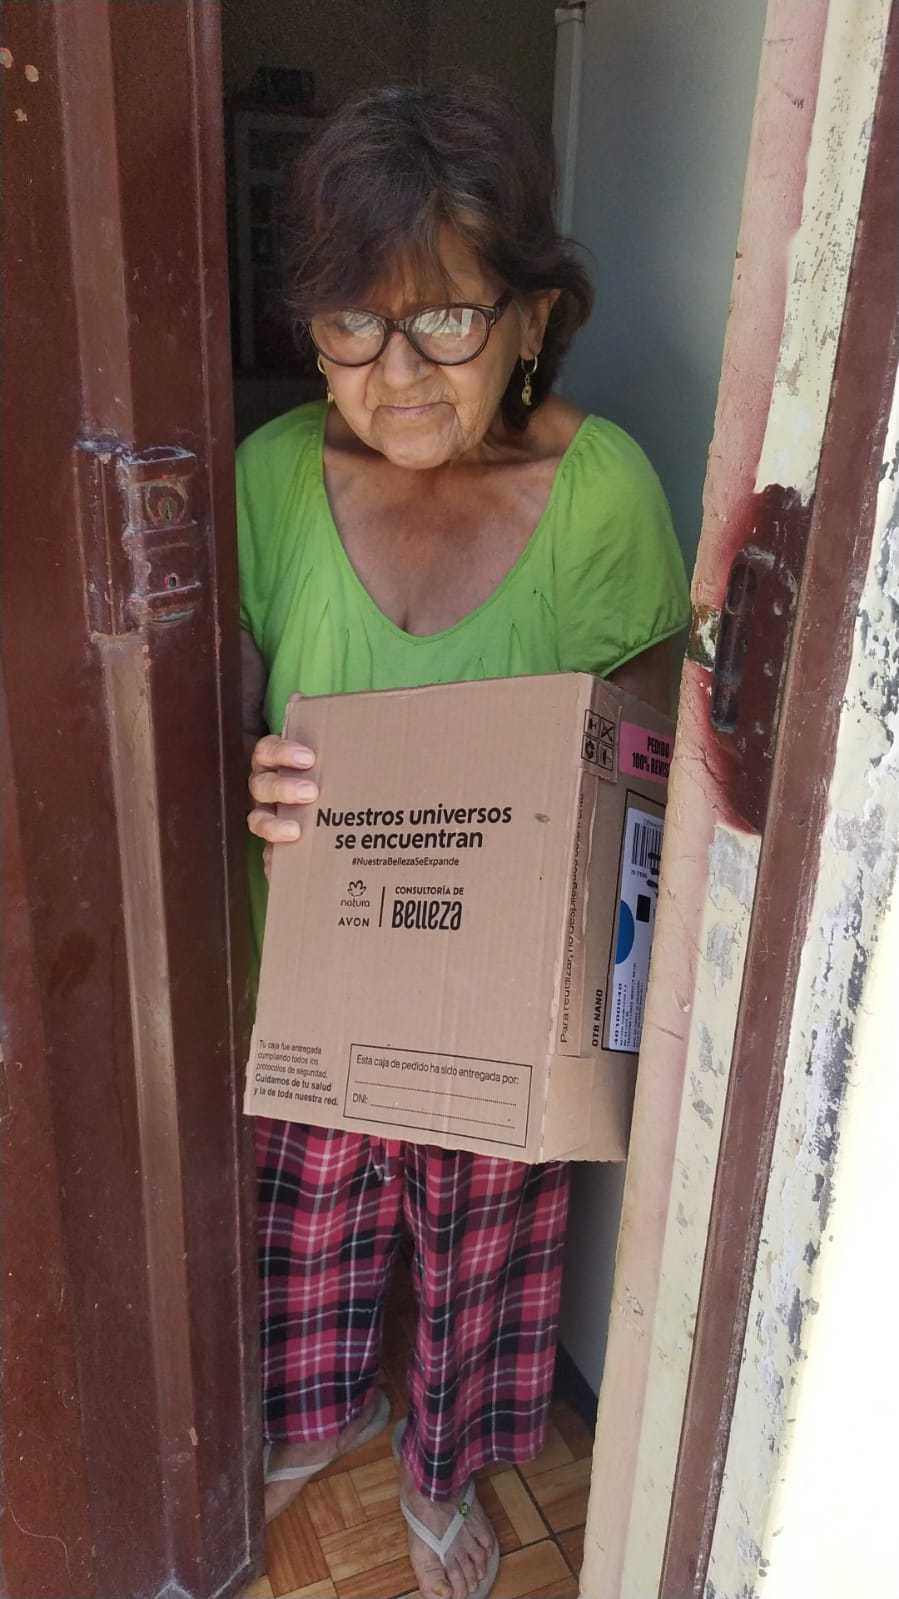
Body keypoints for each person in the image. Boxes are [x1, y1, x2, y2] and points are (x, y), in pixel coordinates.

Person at [239, 80, 689, 1599]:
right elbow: (217, 699)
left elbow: (647, 733)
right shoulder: (270, 476)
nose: (399, 371)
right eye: (353, 324)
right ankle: (322, 1416)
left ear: (532, 318)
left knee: (482, 1250)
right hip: (313, 979)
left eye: (444, 319)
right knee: (305, 1226)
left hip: (501, 1001)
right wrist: (246, 772)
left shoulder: (600, 489)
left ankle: (440, 1473)